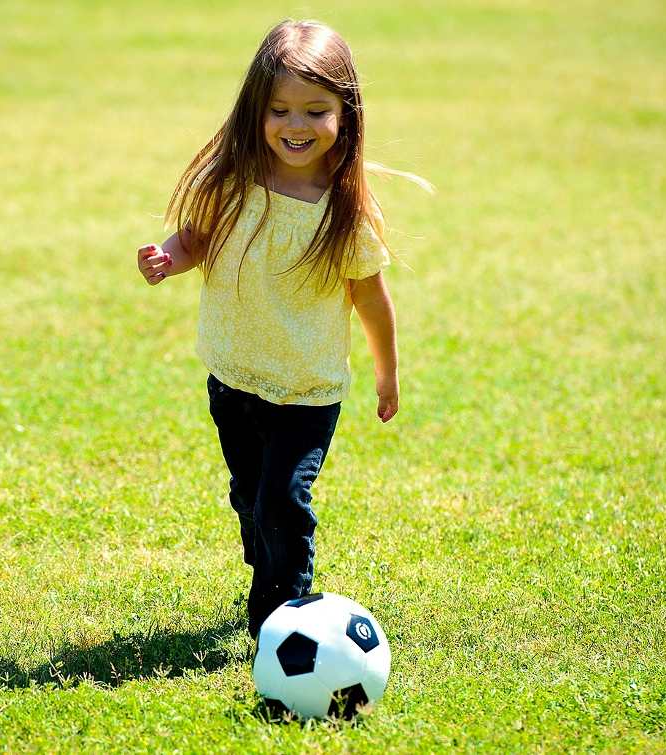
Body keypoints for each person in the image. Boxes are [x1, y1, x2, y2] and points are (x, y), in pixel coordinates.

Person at [136, 19, 420, 637]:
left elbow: (372, 301)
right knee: (249, 498)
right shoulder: (234, 186)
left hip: (304, 391)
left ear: (345, 115)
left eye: (316, 111)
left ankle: (284, 615)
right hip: (233, 377)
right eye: (280, 110)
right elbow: (196, 239)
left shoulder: (342, 216)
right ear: (255, 112)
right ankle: (268, 569)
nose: (296, 126)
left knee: (280, 503)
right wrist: (168, 257)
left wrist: (387, 375)